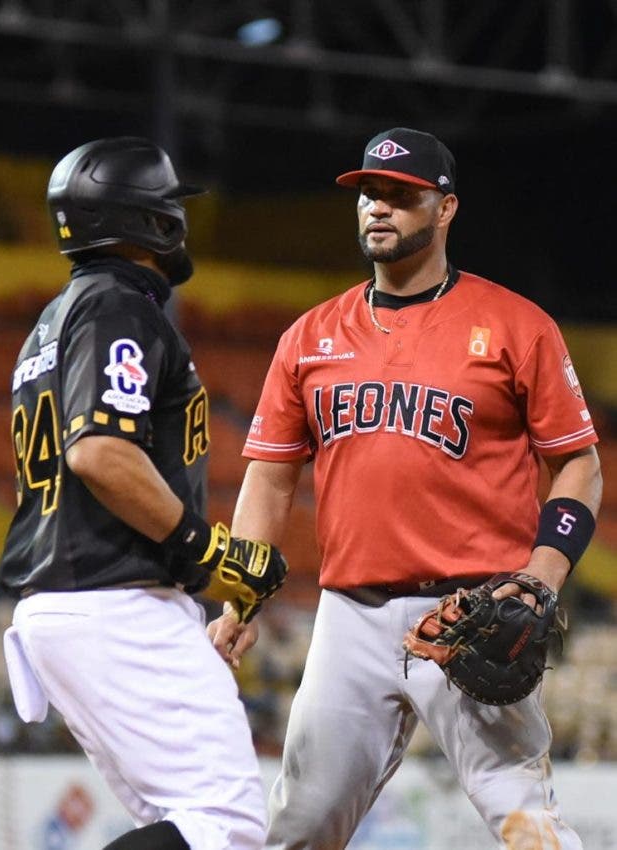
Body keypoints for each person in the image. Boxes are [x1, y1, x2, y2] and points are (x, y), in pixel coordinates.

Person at [208, 127, 602, 849]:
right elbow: (270, 475)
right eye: (368, 193)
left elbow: (579, 463)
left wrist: (541, 576)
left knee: (525, 823)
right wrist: (242, 595)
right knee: (298, 828)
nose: (378, 208)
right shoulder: (308, 337)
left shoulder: (517, 326)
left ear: (445, 208)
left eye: (400, 194)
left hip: (473, 612)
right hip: (349, 618)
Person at [0, 136, 287, 850]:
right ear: (150, 220)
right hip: (114, 601)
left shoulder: (57, 318)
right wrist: (204, 548)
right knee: (224, 822)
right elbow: (99, 451)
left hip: (77, 601)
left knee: (180, 824)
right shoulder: (118, 306)